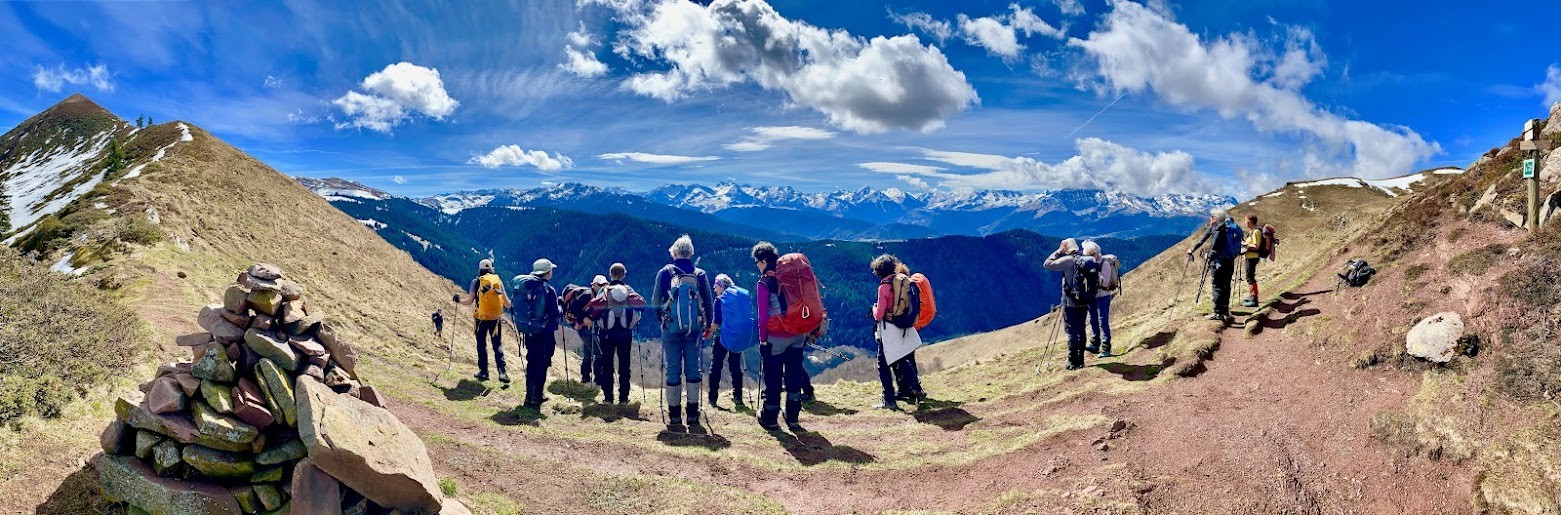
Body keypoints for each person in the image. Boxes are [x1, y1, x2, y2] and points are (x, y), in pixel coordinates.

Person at [652, 235, 716, 429]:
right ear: (690, 252)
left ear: (675, 252)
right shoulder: (700, 274)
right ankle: (693, 415)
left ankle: (674, 416)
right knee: (692, 368)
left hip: (671, 329)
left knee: (673, 369)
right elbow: (708, 302)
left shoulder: (664, 273)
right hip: (694, 329)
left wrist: (662, 320)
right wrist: (708, 325)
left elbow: (655, 302)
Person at [753, 241, 808, 431]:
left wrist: (762, 340)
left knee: (773, 378)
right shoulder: (791, 277)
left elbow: (762, 316)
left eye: (757, 262)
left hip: (776, 337)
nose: (757, 266)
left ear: (764, 261)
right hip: (798, 334)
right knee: (794, 376)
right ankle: (793, 418)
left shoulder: (764, 283)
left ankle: (770, 418)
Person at [1043, 239, 1098, 370]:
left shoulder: (1067, 261)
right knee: (1081, 330)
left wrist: (1059, 251)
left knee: (1071, 331)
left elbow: (1047, 264)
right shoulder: (1087, 259)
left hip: (1070, 302)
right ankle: (1081, 360)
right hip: (1084, 301)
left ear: (1066, 249)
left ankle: (1072, 362)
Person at [513, 258, 561, 408]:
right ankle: (537, 396)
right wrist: (561, 308)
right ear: (547, 272)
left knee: (532, 361)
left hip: (529, 331)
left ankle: (529, 395)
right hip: (544, 333)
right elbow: (554, 314)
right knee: (542, 363)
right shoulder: (548, 290)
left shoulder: (525, 286)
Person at [455, 259, 512, 383]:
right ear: (491, 268)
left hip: (480, 319)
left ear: (479, 269)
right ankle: (502, 372)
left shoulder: (476, 282)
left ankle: (484, 372)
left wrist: (458, 300)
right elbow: (507, 304)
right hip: (495, 319)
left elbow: (469, 301)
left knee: (481, 345)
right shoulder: (497, 281)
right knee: (497, 345)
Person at [1187, 207, 1243, 323]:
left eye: (1212, 217)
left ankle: (1218, 313)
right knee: (1226, 285)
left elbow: (1211, 245)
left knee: (1217, 286)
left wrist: (1202, 254)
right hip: (1229, 261)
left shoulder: (1216, 229)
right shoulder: (1228, 229)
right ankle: (1225, 311)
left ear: (1216, 218)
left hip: (1218, 263)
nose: (1210, 218)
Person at [870, 254, 911, 411]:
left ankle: (889, 400)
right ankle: (914, 388)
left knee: (882, 365)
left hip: (888, 330)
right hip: (903, 326)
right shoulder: (902, 281)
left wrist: (874, 309)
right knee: (900, 358)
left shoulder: (884, 287)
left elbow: (879, 314)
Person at [595, 263, 639, 405]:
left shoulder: (604, 290)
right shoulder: (629, 290)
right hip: (625, 333)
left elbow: (594, 309)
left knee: (606, 364)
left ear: (610, 275)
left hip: (606, 333)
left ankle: (608, 397)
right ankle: (624, 398)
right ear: (624, 275)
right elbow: (641, 306)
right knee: (624, 364)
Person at [708, 274, 747, 410]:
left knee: (716, 366)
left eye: (716, 285)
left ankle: (713, 397)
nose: (714, 287)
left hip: (721, 338)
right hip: (736, 337)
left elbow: (716, 321)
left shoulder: (719, 300)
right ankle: (738, 396)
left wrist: (708, 332)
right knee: (735, 366)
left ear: (721, 286)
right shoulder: (738, 300)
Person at [892, 263, 926, 403]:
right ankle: (913, 388)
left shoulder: (896, 284)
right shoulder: (910, 285)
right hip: (911, 326)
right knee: (910, 358)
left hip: (898, 327)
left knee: (898, 360)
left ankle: (905, 389)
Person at [1082, 241, 1114, 358]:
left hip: (1103, 296)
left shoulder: (1104, 264)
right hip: (1092, 297)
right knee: (1093, 320)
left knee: (1103, 321)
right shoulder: (1089, 263)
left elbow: (1105, 282)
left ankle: (1106, 348)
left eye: (1090, 255)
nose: (1089, 258)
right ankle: (1095, 344)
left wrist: (1094, 273)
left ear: (1096, 253)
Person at [1240, 214, 1263, 308]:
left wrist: (1246, 246)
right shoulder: (1252, 232)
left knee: (1250, 277)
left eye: (1246, 220)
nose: (1245, 222)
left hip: (1252, 257)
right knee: (1249, 277)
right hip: (1249, 257)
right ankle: (1252, 296)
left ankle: (1254, 299)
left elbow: (1257, 246)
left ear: (1250, 221)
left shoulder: (1256, 232)